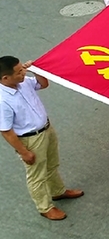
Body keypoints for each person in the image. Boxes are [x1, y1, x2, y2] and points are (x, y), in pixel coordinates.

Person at [0, 56, 84, 221]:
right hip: (30, 139)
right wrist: (24, 152)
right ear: (5, 78)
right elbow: (6, 131)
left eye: (23, 69)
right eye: (19, 72)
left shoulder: (23, 82)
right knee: (37, 175)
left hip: (46, 129)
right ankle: (45, 207)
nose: (23, 72)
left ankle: (57, 191)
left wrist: (37, 71)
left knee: (52, 164)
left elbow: (43, 84)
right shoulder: (2, 101)